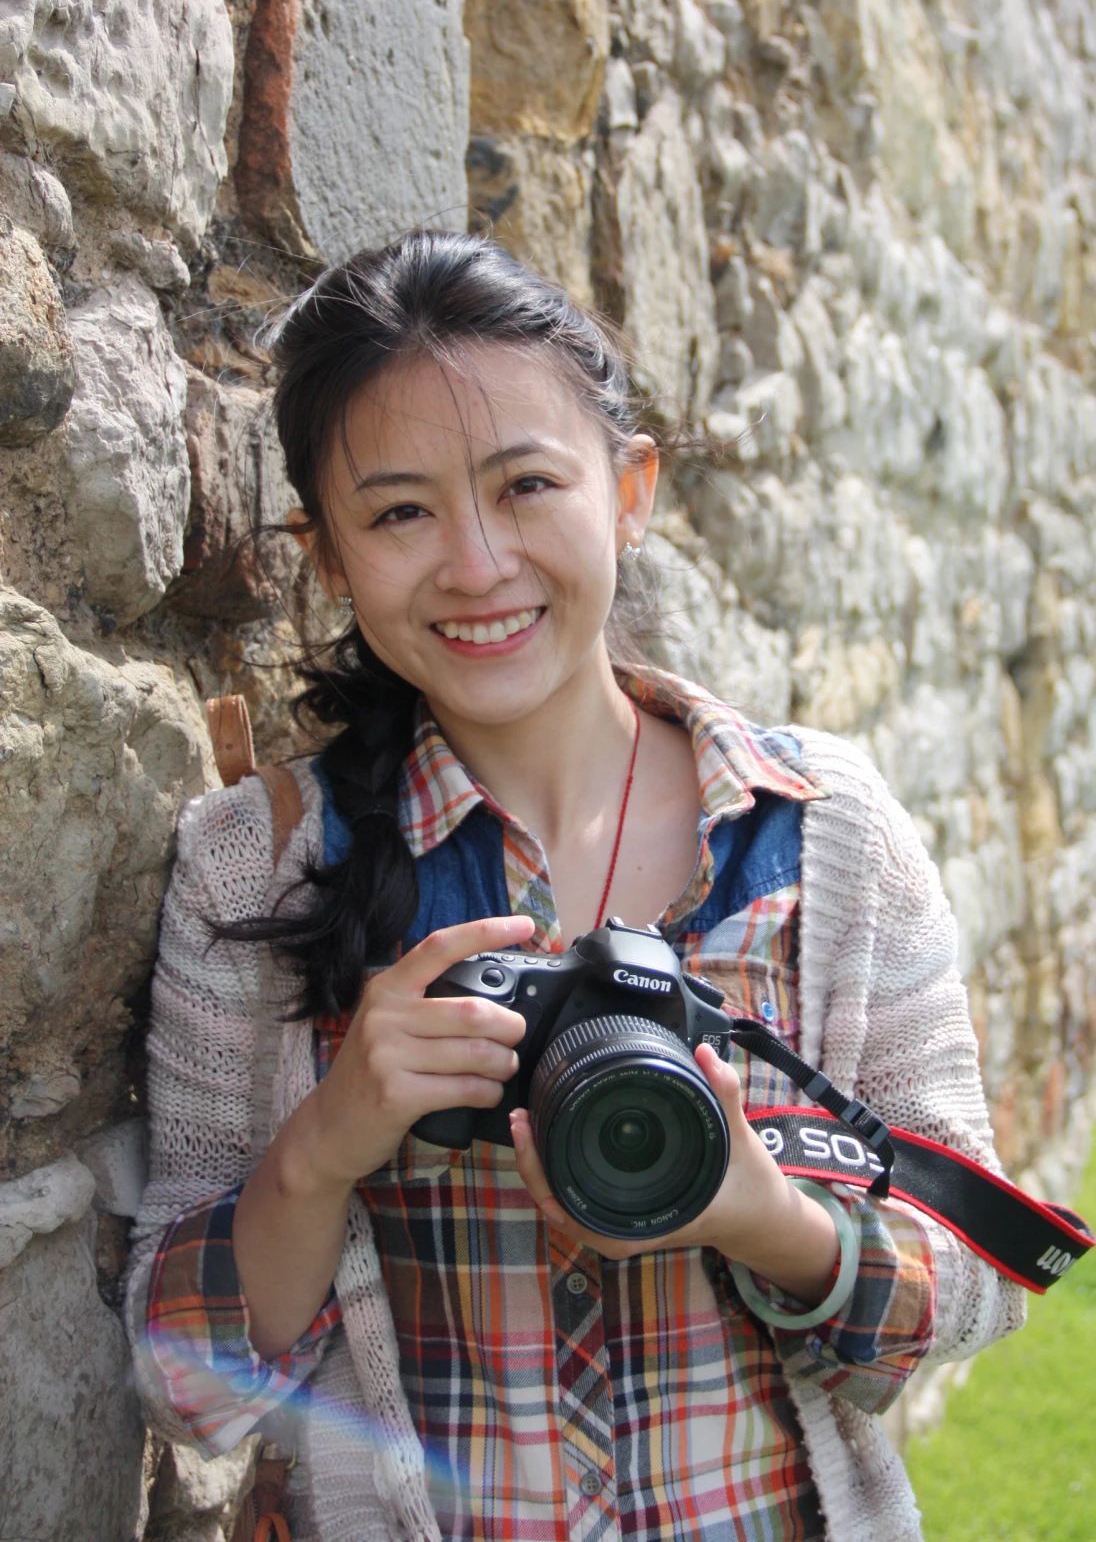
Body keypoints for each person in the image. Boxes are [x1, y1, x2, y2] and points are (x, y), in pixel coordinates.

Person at [127, 230, 1025, 1542]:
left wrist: (762, 1215)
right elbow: (185, 1392)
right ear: (329, 557)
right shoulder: (255, 866)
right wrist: (325, 1144)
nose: (477, 563)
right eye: (399, 513)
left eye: (528, 485)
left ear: (630, 490)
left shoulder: (821, 835)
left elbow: (980, 1281)